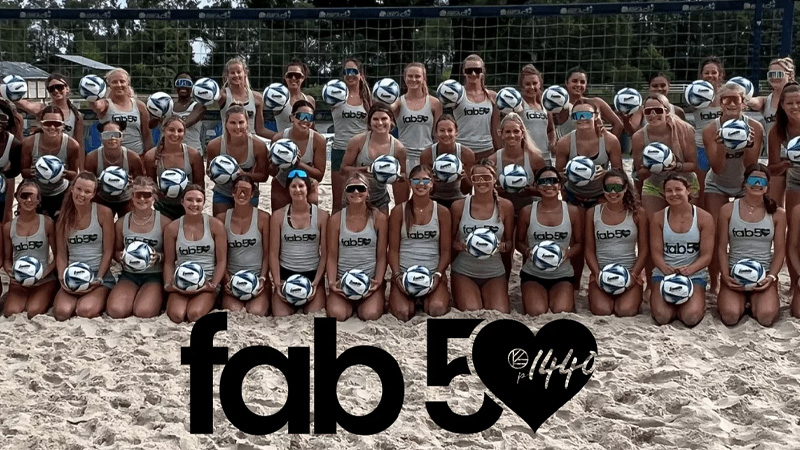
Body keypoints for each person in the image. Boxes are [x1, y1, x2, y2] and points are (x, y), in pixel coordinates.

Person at [703, 82, 763, 293]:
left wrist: (747, 145)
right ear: (720, 103)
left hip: (744, 183)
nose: (730, 103)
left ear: (743, 103)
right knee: (715, 234)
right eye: (725, 99)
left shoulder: (755, 128)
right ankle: (715, 281)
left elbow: (751, 167)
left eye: (735, 99)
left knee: (743, 234)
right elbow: (717, 168)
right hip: (717, 183)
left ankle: (745, 275)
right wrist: (722, 145)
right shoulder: (711, 130)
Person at [554, 99, 622, 283]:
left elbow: (619, 173)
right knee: (578, 242)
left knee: (599, 241)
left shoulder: (609, 140)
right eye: (577, 115)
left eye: (586, 114)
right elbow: (557, 175)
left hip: (601, 195)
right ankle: (575, 283)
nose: (582, 118)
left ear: (596, 116)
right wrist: (568, 174)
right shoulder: (565, 142)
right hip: (574, 194)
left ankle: (601, 278)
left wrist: (606, 173)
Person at [718, 164, 784, 327]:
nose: (757, 184)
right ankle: (741, 301)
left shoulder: (777, 213)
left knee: (766, 317)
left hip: (763, 273)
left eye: (762, 181)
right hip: (735, 272)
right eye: (753, 180)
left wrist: (771, 277)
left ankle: (757, 301)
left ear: (767, 186)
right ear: (745, 182)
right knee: (730, 316)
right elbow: (721, 248)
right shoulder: (728, 209)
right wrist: (725, 275)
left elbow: (780, 251)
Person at [649, 174, 715, 327]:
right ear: (664, 193)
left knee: (691, 317)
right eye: (669, 190)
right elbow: (656, 253)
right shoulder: (658, 217)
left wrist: (689, 269)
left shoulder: (704, 218)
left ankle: (691, 303)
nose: (673, 194)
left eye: (678, 189)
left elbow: (707, 256)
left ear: (688, 190)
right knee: (662, 317)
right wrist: (665, 268)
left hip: (694, 273)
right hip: (664, 273)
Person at [449, 160, 515, 312]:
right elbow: (450, 242)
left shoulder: (506, 206)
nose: (481, 181)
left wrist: (503, 246)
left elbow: (510, 243)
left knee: (499, 312)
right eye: (476, 178)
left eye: (486, 177)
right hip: (464, 271)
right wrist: (459, 245)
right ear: (471, 180)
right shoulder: (459, 206)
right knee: (472, 310)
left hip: (494, 272)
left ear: (494, 179)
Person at [517, 167, 582, 316]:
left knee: (560, 310)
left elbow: (579, 244)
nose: (548, 185)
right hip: (533, 274)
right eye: (543, 182)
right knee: (536, 311)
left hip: (562, 274)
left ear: (559, 185)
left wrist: (567, 253)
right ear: (536, 186)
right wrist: (528, 251)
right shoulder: (527, 211)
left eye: (553, 181)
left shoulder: (572, 211)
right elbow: (518, 242)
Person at [388, 165, 451, 320]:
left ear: (432, 184)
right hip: (405, 274)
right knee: (403, 313)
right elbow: (393, 250)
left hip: (432, 273)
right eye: (416, 180)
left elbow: (446, 251)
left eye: (425, 180)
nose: (420, 184)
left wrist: (438, 275)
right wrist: (397, 276)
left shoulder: (442, 212)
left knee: (436, 309)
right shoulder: (398, 211)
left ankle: (432, 295)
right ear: (410, 184)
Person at [585, 169, 649, 317]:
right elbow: (589, 250)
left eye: (618, 187)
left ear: (625, 188)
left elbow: (644, 250)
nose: (613, 192)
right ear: (603, 189)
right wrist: (597, 274)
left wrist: (634, 275)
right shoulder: (593, 213)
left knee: (625, 310)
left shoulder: (638, 213)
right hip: (601, 271)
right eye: (608, 188)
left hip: (629, 271)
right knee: (602, 310)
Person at [52, 173, 115, 321]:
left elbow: (108, 251)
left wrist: (99, 278)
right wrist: (62, 278)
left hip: (97, 275)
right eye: (79, 189)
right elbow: (61, 254)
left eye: (87, 191)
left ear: (93, 194)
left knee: (84, 310)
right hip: (73, 274)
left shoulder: (104, 213)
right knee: (61, 313)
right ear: (72, 188)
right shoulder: (63, 217)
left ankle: (99, 296)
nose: (82, 194)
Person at [326, 172, 388, 321]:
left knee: (369, 314)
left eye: (360, 188)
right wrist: (332, 283)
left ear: (368, 192)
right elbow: (332, 256)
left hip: (369, 280)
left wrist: (378, 282)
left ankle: (377, 296)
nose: (355, 192)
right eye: (350, 188)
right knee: (337, 315)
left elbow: (382, 256)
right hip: (343, 280)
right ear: (345, 194)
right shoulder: (336, 219)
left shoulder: (379, 218)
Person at [107, 176, 171, 319]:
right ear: (132, 196)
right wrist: (120, 257)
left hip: (154, 275)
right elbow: (115, 250)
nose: (142, 199)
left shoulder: (164, 222)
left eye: (147, 195)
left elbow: (172, 256)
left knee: (144, 312)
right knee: (116, 311)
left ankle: (156, 296)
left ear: (154, 197)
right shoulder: (121, 223)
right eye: (138, 194)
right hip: (129, 274)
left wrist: (159, 257)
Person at [163, 185, 227, 323]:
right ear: (182, 201)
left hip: (206, 281)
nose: (194, 204)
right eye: (189, 200)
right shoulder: (172, 228)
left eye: (198, 200)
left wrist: (213, 285)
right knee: (177, 315)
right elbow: (169, 262)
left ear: (204, 203)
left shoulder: (215, 225)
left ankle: (213, 300)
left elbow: (222, 261)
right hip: (181, 281)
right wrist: (169, 284)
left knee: (194, 314)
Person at [269, 169, 328, 316]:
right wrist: (277, 283)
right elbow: (273, 254)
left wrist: (316, 283)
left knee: (314, 313)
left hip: (312, 275)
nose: (297, 190)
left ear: (307, 188)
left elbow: (326, 255)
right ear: (288, 190)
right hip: (286, 275)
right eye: (293, 186)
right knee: (281, 315)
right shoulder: (278, 216)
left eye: (301, 186)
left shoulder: (322, 216)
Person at [632, 94, 699, 217]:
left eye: (658, 110)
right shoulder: (638, 137)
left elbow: (693, 165)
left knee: (686, 222)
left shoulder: (685, 130)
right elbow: (640, 174)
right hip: (655, 182)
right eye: (648, 111)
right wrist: (649, 168)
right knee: (653, 222)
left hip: (685, 181)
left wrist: (676, 166)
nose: (653, 115)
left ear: (666, 111)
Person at [2, 181, 59, 318]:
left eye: (33, 196)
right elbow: (7, 260)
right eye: (24, 195)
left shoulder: (47, 222)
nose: (28, 200)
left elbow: (58, 256)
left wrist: (43, 274)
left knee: (33, 311)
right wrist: (11, 273)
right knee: (11, 312)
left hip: (44, 279)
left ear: (38, 201)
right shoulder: (9, 227)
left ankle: (48, 294)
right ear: (17, 197)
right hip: (19, 279)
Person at [342, 103, 409, 214]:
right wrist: (365, 169)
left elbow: (403, 176)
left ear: (391, 120)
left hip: (380, 198)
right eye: (375, 119)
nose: (380, 123)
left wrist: (392, 175)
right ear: (370, 122)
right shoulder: (358, 141)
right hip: (355, 195)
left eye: (384, 119)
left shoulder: (398, 148)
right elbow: (344, 169)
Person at [217, 176, 271, 316]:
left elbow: (267, 254)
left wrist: (263, 279)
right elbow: (220, 256)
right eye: (238, 190)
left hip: (257, 277)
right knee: (235, 311)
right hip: (233, 278)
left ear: (252, 194)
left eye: (246, 191)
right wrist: (226, 279)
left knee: (256, 312)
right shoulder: (222, 219)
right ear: (232, 192)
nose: (242, 194)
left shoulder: (263, 218)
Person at [20, 105, 82, 220]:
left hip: (60, 190)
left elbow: (74, 174)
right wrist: (33, 172)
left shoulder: (72, 145)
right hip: (35, 191)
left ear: (63, 125)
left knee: (60, 224)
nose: (52, 127)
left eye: (57, 124)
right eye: (48, 123)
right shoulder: (29, 143)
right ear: (41, 124)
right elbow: (23, 172)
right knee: (34, 223)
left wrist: (62, 173)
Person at [206, 104, 269, 215]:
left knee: (245, 224)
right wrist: (220, 174)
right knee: (221, 222)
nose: (237, 127)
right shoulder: (214, 145)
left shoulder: (258, 146)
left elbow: (263, 176)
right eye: (233, 123)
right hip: (223, 191)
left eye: (241, 122)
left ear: (247, 123)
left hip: (248, 192)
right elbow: (209, 172)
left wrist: (242, 174)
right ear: (225, 123)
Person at [143, 116, 205, 220]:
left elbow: (200, 183)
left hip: (188, 205)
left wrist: (192, 202)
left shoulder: (193, 155)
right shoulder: (151, 156)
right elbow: (151, 184)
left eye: (180, 131)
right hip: (164, 205)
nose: (176, 134)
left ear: (184, 133)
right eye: (171, 130)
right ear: (163, 130)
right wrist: (164, 194)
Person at [270, 100, 326, 211]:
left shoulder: (318, 140)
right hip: (283, 180)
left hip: (307, 181)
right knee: (279, 212)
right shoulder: (278, 139)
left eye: (309, 117)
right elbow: (272, 173)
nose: (305, 120)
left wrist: (298, 164)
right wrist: (274, 164)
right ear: (292, 117)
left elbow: (319, 176)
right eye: (301, 116)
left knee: (311, 214)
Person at [331, 58, 370, 212]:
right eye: (346, 71)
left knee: (363, 201)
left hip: (361, 152)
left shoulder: (367, 100)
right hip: (340, 150)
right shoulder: (335, 96)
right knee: (338, 202)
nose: (350, 74)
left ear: (361, 74)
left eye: (354, 71)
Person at [771, 83, 800, 290]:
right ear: (781, 105)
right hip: (795, 179)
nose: (795, 106)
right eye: (790, 103)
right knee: (794, 232)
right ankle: (794, 283)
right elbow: (772, 168)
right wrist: (783, 164)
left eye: (799, 102)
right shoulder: (778, 131)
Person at [11, 73, 85, 154]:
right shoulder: (42, 109)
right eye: (51, 89)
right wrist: (7, 91)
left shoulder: (76, 115)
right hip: (42, 155)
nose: (56, 91)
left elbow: (79, 143)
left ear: (67, 88)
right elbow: (24, 104)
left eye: (59, 87)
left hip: (65, 156)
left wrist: (80, 162)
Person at [85, 120, 145, 217]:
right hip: (101, 197)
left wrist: (133, 183)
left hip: (126, 198)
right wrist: (95, 183)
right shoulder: (92, 158)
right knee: (100, 221)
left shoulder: (132, 157)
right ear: (100, 137)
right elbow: (86, 183)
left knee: (128, 222)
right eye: (107, 135)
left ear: (122, 136)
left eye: (116, 135)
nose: (112, 138)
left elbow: (142, 182)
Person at [88, 68, 152, 154]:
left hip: (137, 156)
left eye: (122, 81)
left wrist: (148, 156)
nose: (119, 85)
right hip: (110, 156)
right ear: (109, 85)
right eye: (114, 82)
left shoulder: (139, 106)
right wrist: (91, 91)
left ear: (128, 83)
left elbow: (147, 135)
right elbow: (96, 106)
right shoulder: (106, 104)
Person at [392, 62, 442, 172]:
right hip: (404, 156)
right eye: (410, 76)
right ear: (404, 78)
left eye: (417, 76)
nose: (413, 79)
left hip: (426, 155)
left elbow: (437, 134)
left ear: (423, 78)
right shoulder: (399, 102)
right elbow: (387, 109)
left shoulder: (435, 103)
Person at [420, 114, 475, 209]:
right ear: (436, 133)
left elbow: (467, 190)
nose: (446, 134)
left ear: (456, 132)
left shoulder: (466, 154)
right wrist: (433, 182)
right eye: (442, 130)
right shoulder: (427, 155)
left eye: (450, 130)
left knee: (456, 208)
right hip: (435, 198)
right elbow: (426, 190)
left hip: (459, 198)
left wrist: (464, 177)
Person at [750, 56, 795, 172]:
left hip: (795, 155)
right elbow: (753, 102)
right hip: (774, 157)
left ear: (789, 75)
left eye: (779, 74)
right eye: (771, 74)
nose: (774, 77)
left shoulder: (796, 100)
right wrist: (743, 96)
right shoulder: (766, 100)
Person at [552, 66, 623, 139]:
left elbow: (618, 124)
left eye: (582, 82)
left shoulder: (596, 102)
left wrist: (608, 143)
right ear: (566, 83)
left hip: (592, 145)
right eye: (574, 81)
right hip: (566, 144)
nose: (578, 85)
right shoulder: (558, 103)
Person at [454, 54, 500, 160]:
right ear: (463, 72)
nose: (473, 74)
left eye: (477, 70)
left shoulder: (492, 96)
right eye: (469, 71)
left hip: (487, 151)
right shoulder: (456, 95)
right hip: (462, 151)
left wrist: (499, 151)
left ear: (483, 71)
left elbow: (495, 128)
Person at [693, 57, 726, 204]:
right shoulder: (694, 94)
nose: (710, 75)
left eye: (714, 72)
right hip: (700, 147)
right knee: (700, 190)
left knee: (722, 188)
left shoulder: (727, 95)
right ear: (701, 75)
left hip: (723, 146)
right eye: (706, 73)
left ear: (720, 74)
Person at [217, 57, 274, 140]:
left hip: (252, 141)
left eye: (239, 72)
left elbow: (260, 130)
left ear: (245, 73)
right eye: (232, 73)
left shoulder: (257, 97)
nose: (236, 75)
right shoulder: (223, 96)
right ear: (227, 75)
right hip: (230, 142)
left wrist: (282, 137)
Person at [518, 64, 556, 163]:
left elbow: (551, 129)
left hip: (545, 156)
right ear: (521, 85)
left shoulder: (545, 104)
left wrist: (552, 142)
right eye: (527, 84)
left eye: (535, 83)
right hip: (526, 156)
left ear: (540, 84)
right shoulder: (518, 105)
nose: (531, 87)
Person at [274, 59, 316, 132]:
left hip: (305, 139)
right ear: (285, 77)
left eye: (297, 75)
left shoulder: (310, 100)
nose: (293, 78)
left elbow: (312, 128)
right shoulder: (279, 99)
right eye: (290, 75)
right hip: (284, 139)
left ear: (303, 78)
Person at [169, 72, 205, 154]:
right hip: (172, 152)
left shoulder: (198, 106)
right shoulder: (169, 106)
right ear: (175, 86)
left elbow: (184, 124)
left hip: (193, 152)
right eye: (179, 83)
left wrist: (167, 122)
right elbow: (152, 124)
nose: (183, 86)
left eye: (187, 83)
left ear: (193, 87)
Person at [0, 101, 23, 223]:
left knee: (6, 213)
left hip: (6, 182)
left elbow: (13, 172)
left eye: (2, 118)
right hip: (4, 175)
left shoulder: (14, 144)